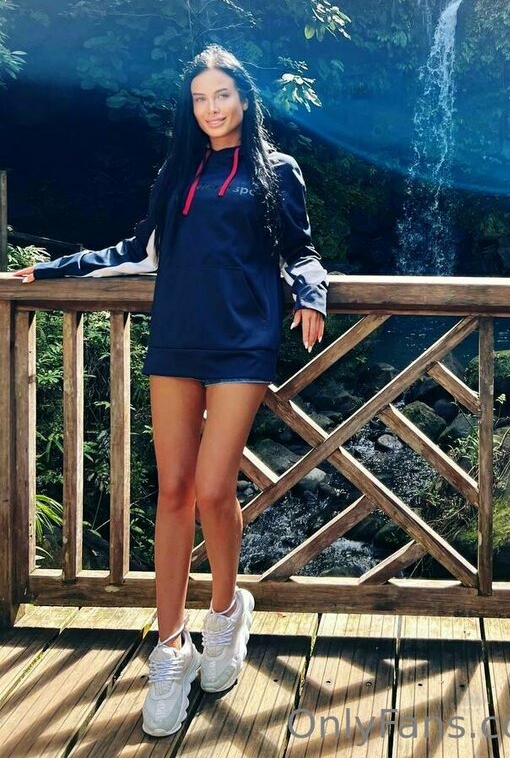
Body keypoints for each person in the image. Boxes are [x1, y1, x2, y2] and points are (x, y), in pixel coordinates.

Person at [12, 44, 328, 737]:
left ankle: (225, 614)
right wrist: (60, 267)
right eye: (200, 98)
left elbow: (300, 249)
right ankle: (171, 648)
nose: (212, 108)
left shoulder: (276, 170)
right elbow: (137, 253)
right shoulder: (178, 170)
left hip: (243, 340)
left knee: (214, 489)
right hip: (178, 338)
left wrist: (311, 293)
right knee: (174, 491)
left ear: (244, 98)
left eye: (222, 95)